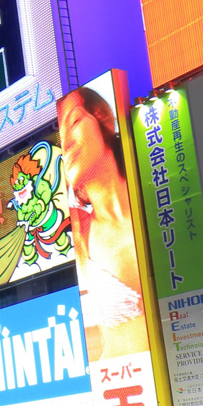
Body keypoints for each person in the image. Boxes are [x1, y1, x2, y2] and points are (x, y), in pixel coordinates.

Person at [56, 85, 147, 360]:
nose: (67, 144)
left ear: (102, 120)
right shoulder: (80, 233)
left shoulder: (152, 191)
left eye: (74, 122)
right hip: (123, 389)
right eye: (61, 139)